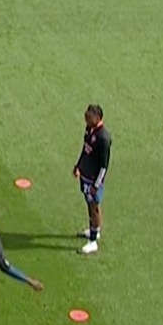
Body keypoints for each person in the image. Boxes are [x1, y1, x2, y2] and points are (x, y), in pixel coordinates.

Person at [73, 104, 112, 255]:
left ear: (97, 118)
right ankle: (95, 230)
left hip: (93, 179)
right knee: (90, 204)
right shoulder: (90, 129)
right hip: (85, 174)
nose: (86, 120)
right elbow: (85, 148)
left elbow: (104, 165)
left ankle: (93, 241)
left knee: (93, 206)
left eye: (88, 118)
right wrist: (78, 165)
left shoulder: (103, 138)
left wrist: (96, 184)